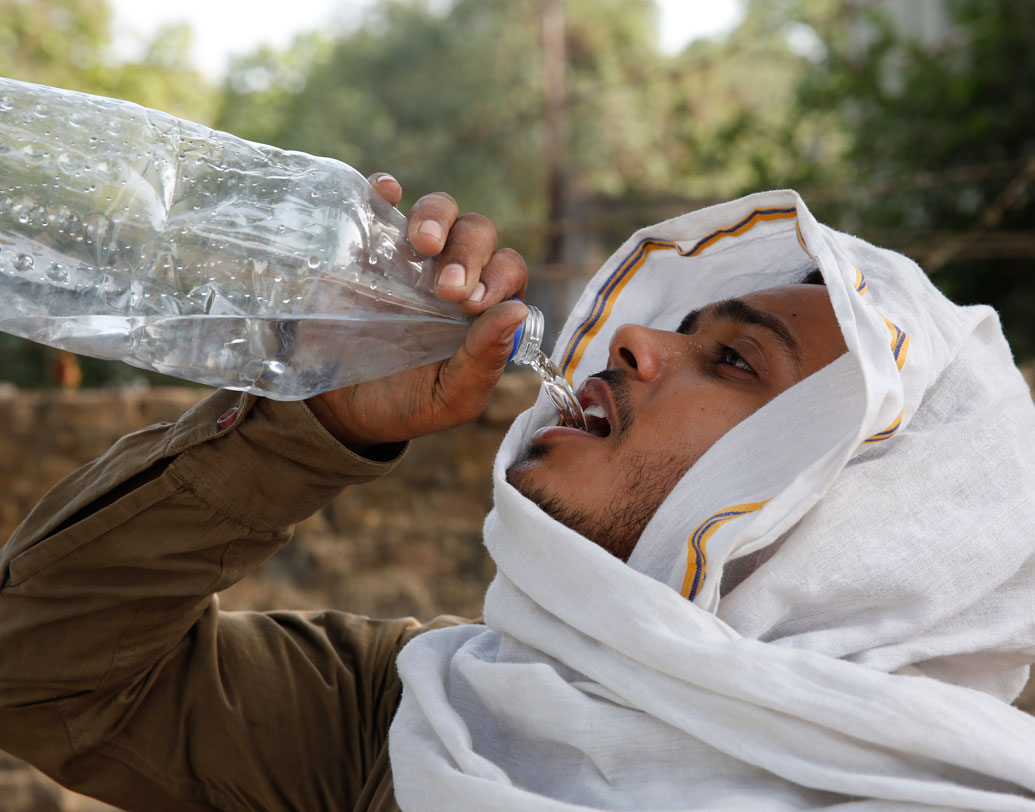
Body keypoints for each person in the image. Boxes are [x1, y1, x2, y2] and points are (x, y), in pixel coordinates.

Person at [1, 174, 1034, 812]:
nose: (635, 339)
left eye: (733, 361)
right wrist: (318, 420)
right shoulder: (427, 715)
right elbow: (40, 670)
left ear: (852, 517)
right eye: (687, 325)